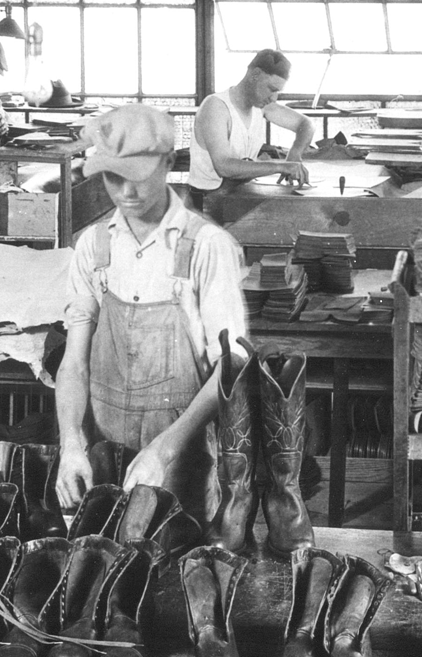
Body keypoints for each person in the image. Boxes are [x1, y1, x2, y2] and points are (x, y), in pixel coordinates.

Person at [55, 104, 247, 527]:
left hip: (182, 460)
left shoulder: (206, 246)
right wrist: (71, 442)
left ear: (170, 162)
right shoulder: (93, 246)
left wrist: (163, 451)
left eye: (138, 177)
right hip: (104, 457)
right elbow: (74, 361)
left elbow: (231, 366)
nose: (126, 193)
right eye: (112, 178)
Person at [188, 49, 316, 209]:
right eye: (271, 89)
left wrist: (295, 153)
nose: (273, 98)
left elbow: (306, 124)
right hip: (208, 203)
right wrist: (281, 166)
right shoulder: (215, 107)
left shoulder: (261, 106)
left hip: (239, 195)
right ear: (255, 75)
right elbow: (224, 167)